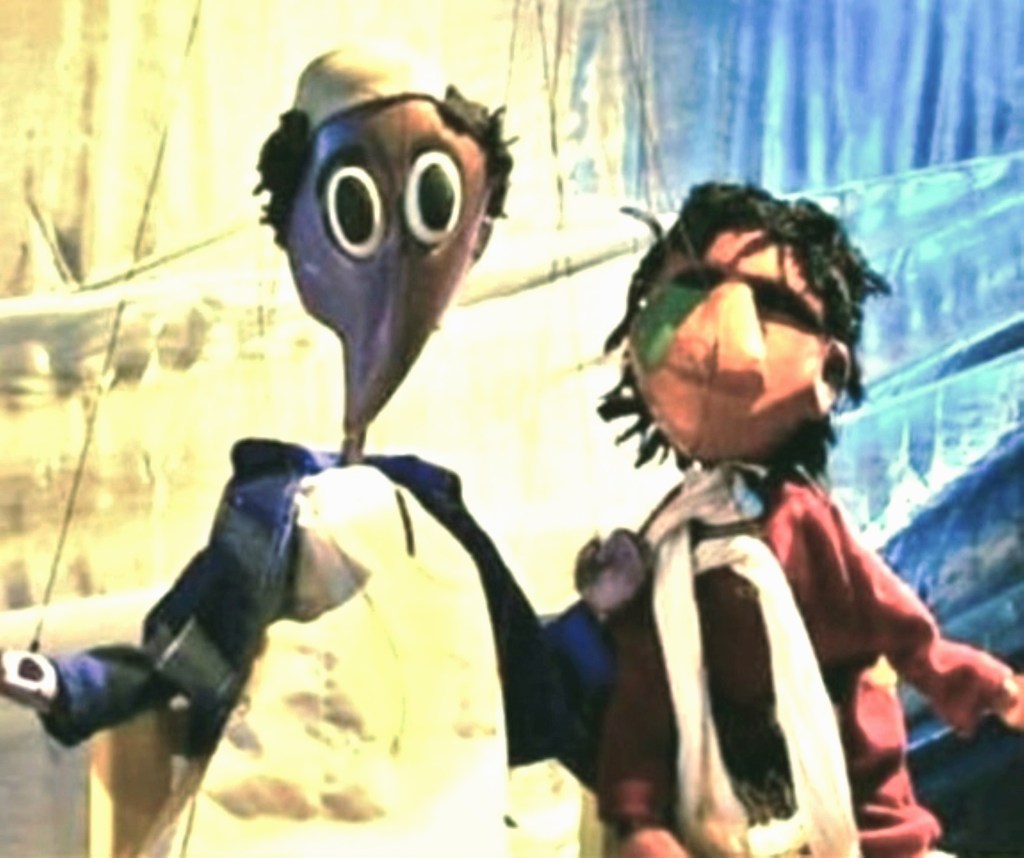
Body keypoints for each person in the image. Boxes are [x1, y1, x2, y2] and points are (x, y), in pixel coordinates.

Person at [0, 41, 574, 857]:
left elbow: (533, 664)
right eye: (355, 207)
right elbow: (189, 646)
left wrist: (608, 621)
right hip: (273, 814)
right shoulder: (282, 506)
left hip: (436, 813)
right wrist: (75, 684)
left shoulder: (436, 519)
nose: (395, 261)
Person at [585, 182, 1024, 858]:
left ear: (829, 371)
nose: (713, 324)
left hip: (850, 786)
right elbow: (646, 689)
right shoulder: (669, 542)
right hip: (724, 797)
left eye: (766, 303)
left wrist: (987, 686)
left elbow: (901, 626)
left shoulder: (806, 524)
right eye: (686, 293)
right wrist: (637, 814)